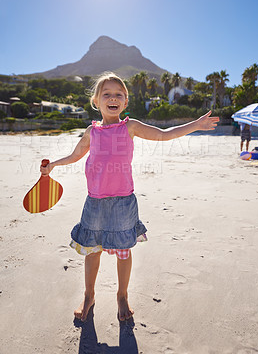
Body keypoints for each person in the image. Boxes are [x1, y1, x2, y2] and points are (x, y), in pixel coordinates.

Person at [40, 72, 219, 322]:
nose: (113, 98)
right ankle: (89, 295)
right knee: (93, 251)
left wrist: (195, 125)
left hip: (123, 201)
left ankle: (122, 295)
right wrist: (53, 166)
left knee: (124, 251)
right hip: (95, 202)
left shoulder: (130, 127)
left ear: (125, 103)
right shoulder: (91, 133)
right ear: (96, 101)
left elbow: (164, 134)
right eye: (107, 94)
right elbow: (74, 156)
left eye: (119, 95)